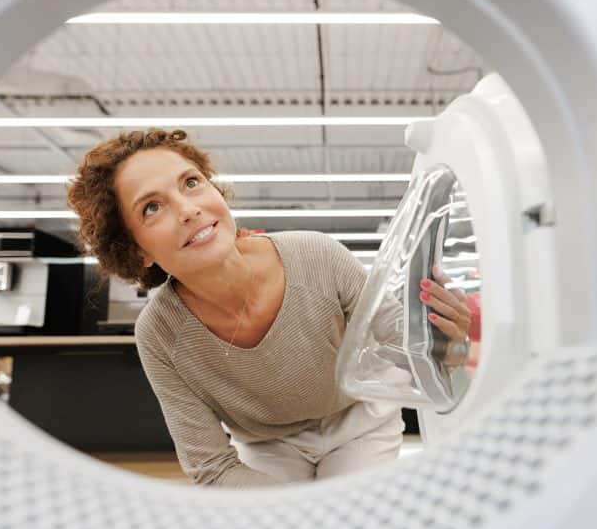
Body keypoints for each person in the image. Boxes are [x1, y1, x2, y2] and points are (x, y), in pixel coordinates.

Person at [67, 128, 471, 487]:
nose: (188, 209)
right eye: (151, 207)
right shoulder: (159, 334)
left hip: (358, 422)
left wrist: (444, 342)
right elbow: (211, 467)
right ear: (137, 251)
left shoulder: (317, 255)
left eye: (191, 182)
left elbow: (407, 351)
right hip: (268, 443)